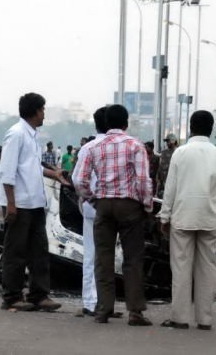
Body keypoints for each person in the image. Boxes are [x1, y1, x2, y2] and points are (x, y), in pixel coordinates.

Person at [74, 104, 153, 325]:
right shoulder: (135, 145)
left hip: (104, 206)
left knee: (103, 258)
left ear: (106, 124)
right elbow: (143, 181)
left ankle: (103, 309)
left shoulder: (93, 148)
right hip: (129, 206)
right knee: (133, 259)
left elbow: (80, 180)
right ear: (126, 123)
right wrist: (146, 206)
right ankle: (135, 311)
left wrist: (92, 198)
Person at [158, 111, 216, 330]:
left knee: (181, 268)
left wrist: (164, 216)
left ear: (191, 127)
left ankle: (180, 317)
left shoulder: (180, 154)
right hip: (210, 219)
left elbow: (170, 188)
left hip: (182, 217)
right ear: (211, 129)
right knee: (207, 268)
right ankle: (205, 319)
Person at [0, 92, 67, 312]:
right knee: (15, 252)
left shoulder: (32, 135)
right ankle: (11, 296)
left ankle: (39, 294)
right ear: (36, 111)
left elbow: (31, 167)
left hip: (35, 201)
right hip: (19, 202)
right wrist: (10, 204)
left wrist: (53, 174)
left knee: (39, 250)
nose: (44, 113)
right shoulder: (16, 134)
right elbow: (7, 172)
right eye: (43, 109)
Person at [71, 107, 117, 318]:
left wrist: (88, 196)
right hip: (115, 207)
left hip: (92, 208)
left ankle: (90, 302)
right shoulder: (119, 146)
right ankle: (105, 302)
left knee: (90, 255)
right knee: (108, 256)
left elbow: (76, 179)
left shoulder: (88, 147)